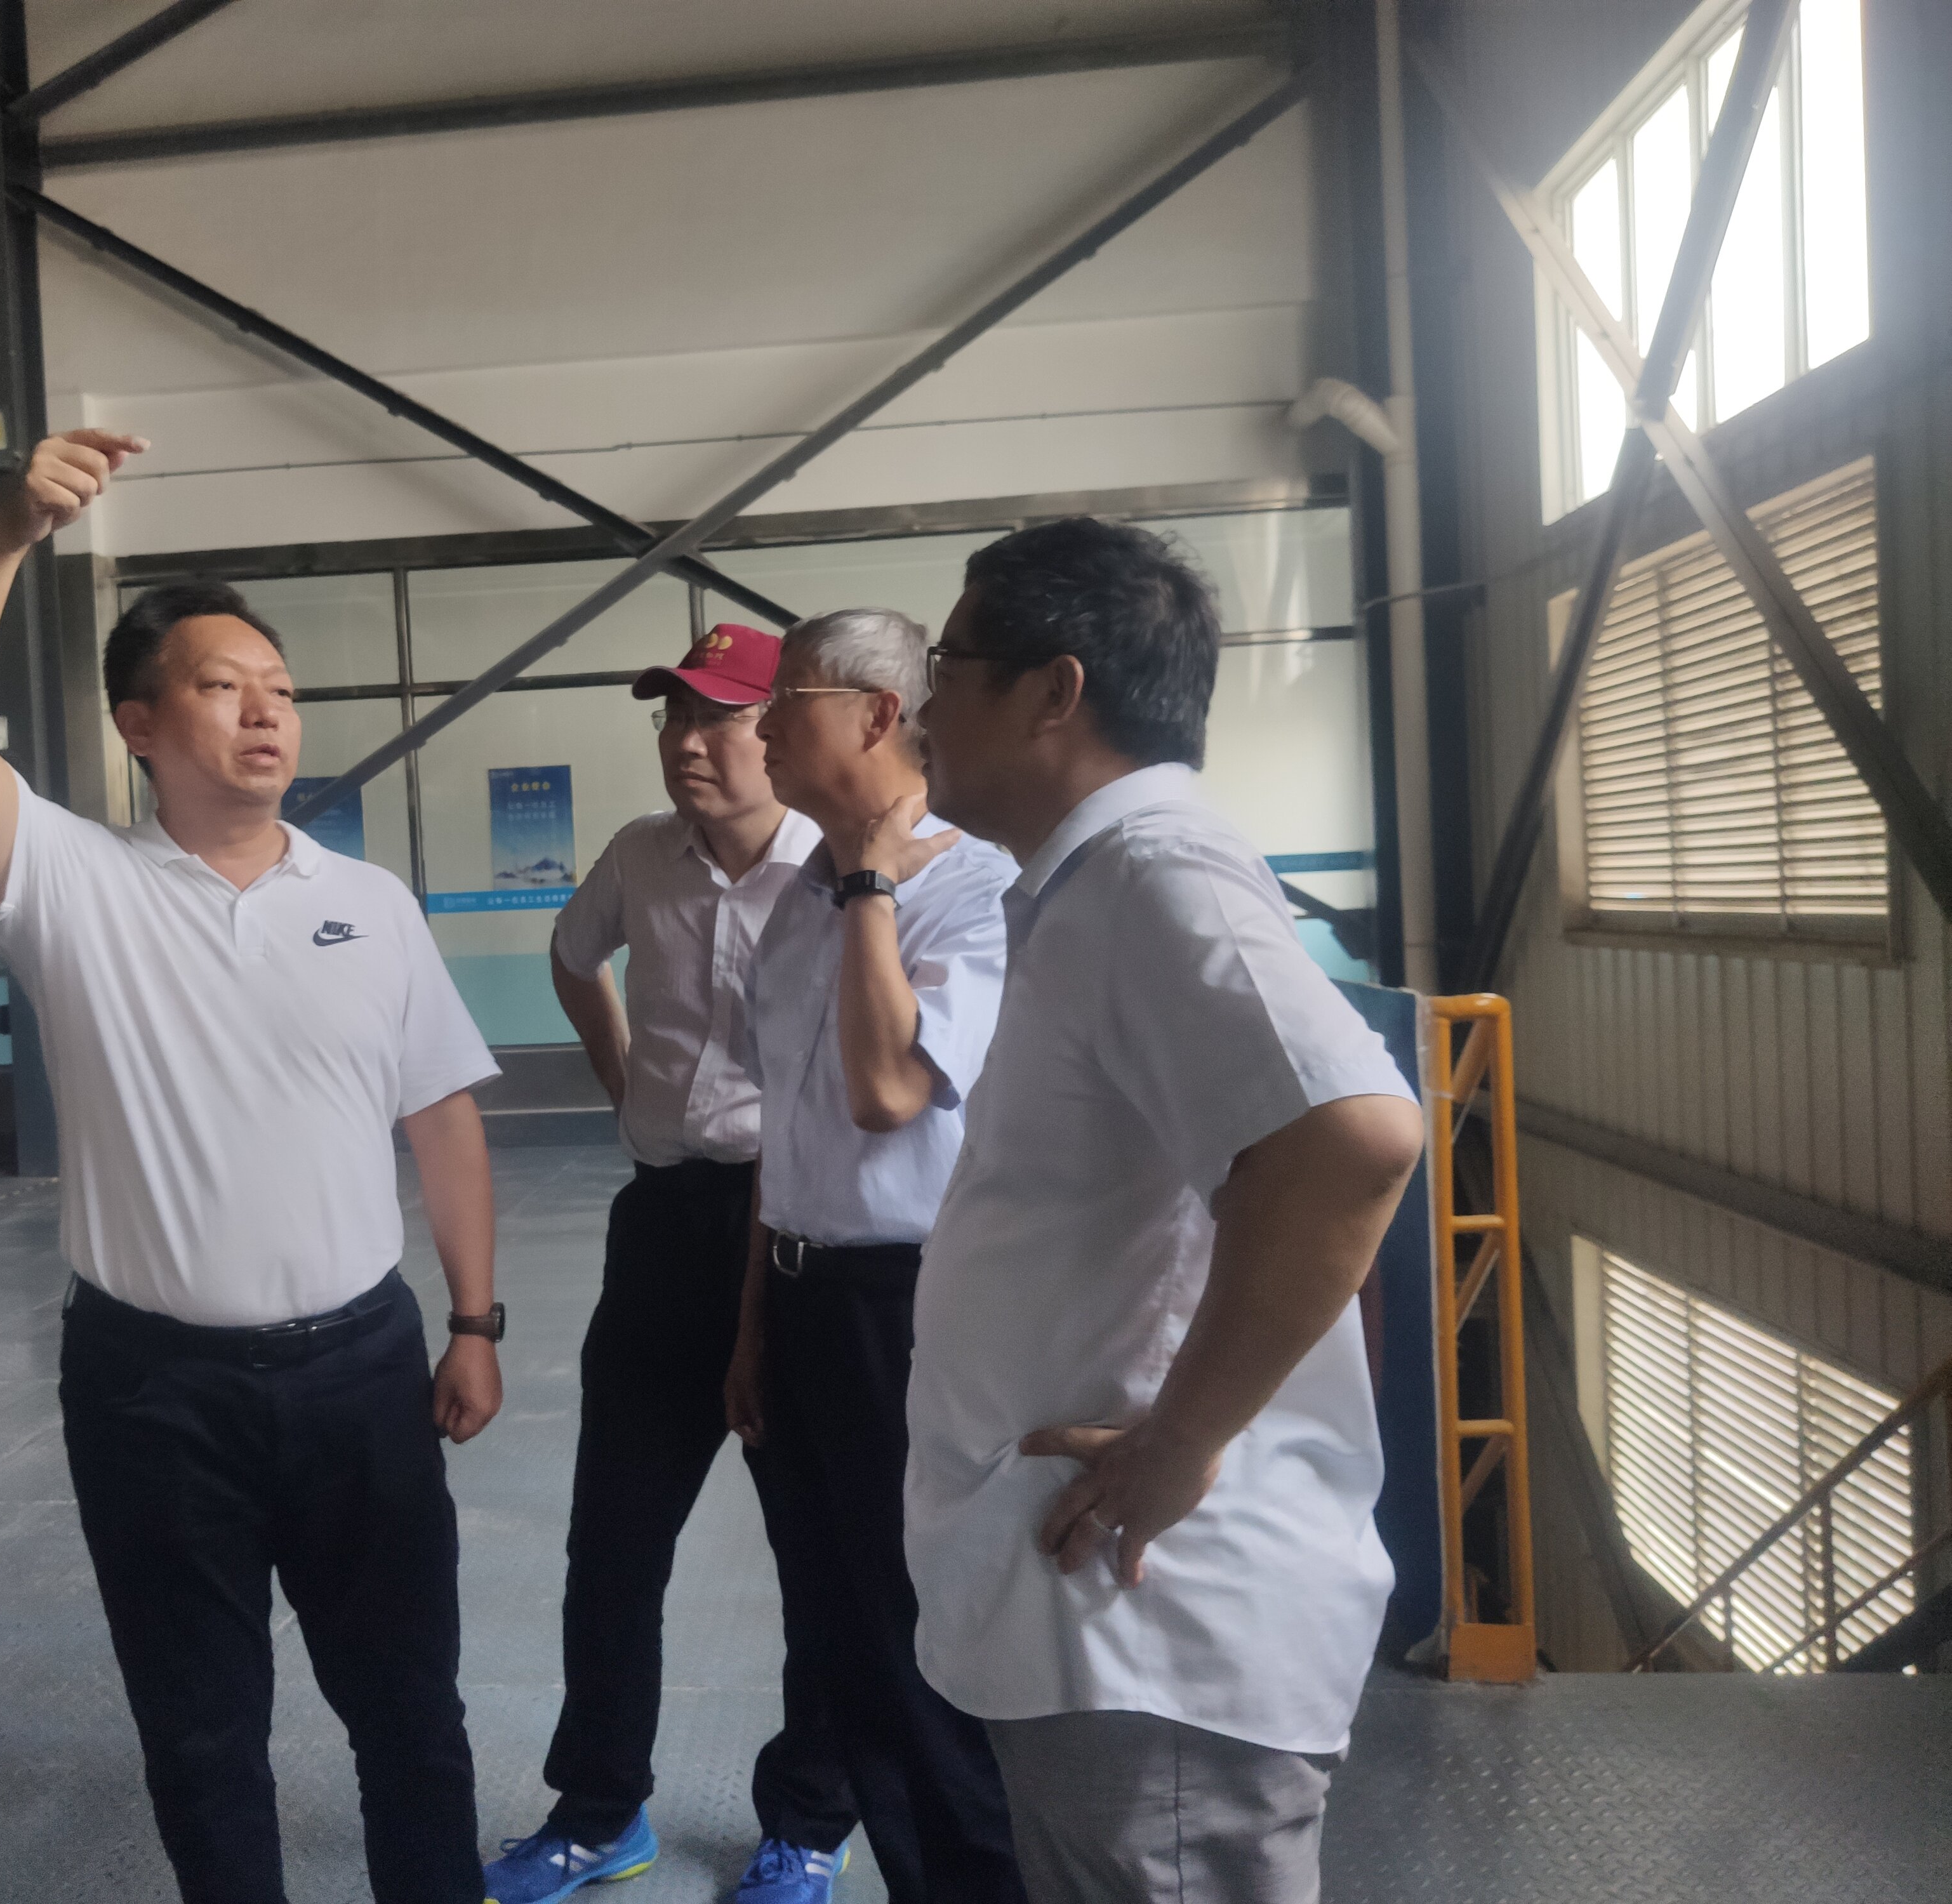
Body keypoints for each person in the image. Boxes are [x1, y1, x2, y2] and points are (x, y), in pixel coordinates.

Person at [0, 428, 507, 1904]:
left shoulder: (368, 903)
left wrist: (474, 1320)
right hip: (153, 1394)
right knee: (203, 1733)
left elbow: (440, 1115)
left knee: (411, 1717)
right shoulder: (67, 883)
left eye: (280, 688)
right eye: (224, 687)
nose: (267, 711)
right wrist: (0, 537)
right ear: (139, 724)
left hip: (362, 1374)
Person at [905, 517, 1424, 1904]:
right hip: (1106, 1627)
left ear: (1053, 691)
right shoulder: (1096, 884)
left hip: (1158, 1632)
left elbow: (1351, 1139)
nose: (922, 709)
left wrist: (1180, 1445)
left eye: (946, 667)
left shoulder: (1152, 874)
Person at [483, 625, 861, 1904]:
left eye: (717, 718)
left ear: (780, 729)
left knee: (815, 1552)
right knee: (613, 1540)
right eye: (672, 718)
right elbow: (571, 953)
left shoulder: (836, 870)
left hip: (796, 1235)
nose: (687, 743)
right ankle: (601, 1811)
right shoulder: (641, 856)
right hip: (661, 1228)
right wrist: (625, 1082)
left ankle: (809, 1821)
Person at [722, 609, 1026, 1904]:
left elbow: (888, 1090)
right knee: (837, 1632)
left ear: (879, 714)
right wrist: (752, 1328)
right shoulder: (800, 898)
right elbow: (783, 1140)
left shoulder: (979, 889)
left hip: (909, 1310)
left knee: (922, 1641)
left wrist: (870, 888)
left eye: (786, 699)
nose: (760, 727)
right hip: (801, 1298)